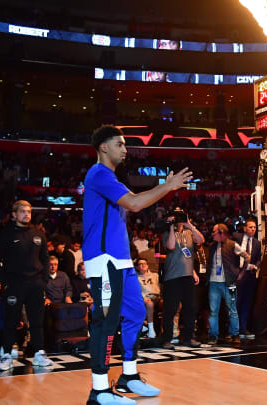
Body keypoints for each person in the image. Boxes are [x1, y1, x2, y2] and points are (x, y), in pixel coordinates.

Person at [82, 125, 191, 405]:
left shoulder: (112, 178)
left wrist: (164, 189)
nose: (125, 149)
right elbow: (134, 204)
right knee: (104, 321)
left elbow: (137, 201)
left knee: (136, 311)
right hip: (104, 258)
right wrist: (167, 186)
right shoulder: (99, 174)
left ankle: (128, 375)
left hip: (120, 259)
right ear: (103, 147)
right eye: (119, 144)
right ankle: (99, 390)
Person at [0, 200, 53, 372]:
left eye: (29, 211)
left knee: (36, 321)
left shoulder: (38, 234)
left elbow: (45, 259)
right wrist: (5, 281)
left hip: (35, 285)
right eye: (23, 211)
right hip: (14, 284)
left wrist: (44, 280)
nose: (27, 214)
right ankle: (6, 355)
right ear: (14, 214)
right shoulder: (5, 234)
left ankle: (39, 354)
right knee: (10, 321)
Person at [160, 209, 205, 349]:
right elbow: (171, 246)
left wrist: (189, 224)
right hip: (172, 277)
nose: (178, 218)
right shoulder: (167, 233)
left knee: (190, 309)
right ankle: (167, 339)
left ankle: (188, 338)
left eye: (180, 215)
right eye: (175, 215)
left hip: (187, 276)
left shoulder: (189, 232)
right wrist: (172, 227)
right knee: (171, 309)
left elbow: (201, 240)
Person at [206, 223, 248, 346]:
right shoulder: (212, 246)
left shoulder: (232, 245)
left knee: (232, 310)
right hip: (214, 283)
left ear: (221, 233)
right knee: (213, 311)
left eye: (214, 232)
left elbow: (247, 257)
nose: (212, 234)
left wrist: (241, 273)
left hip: (229, 282)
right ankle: (213, 335)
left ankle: (235, 334)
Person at [233, 218, 262, 340]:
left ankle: (243, 329)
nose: (253, 229)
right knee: (235, 302)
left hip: (250, 276)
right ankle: (233, 329)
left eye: (255, 227)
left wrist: (256, 266)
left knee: (246, 303)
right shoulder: (236, 237)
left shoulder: (257, 243)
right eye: (250, 227)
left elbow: (259, 259)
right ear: (245, 228)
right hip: (237, 274)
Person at [135, 258, 160, 339]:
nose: (143, 265)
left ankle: (172, 334)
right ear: (137, 267)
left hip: (157, 297)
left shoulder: (155, 275)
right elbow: (135, 291)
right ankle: (151, 330)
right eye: (140, 264)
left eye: (145, 263)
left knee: (173, 304)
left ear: (148, 265)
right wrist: (142, 298)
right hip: (145, 298)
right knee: (149, 304)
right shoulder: (135, 278)